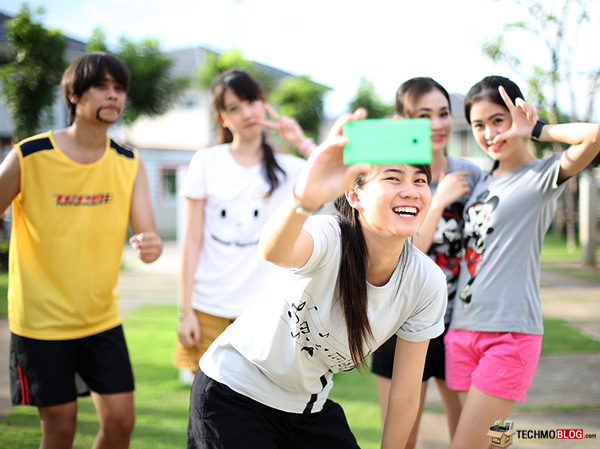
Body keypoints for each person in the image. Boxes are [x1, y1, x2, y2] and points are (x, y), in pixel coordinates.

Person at [186, 108, 448, 449]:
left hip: (306, 408)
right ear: (355, 196)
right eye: (393, 178)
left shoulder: (426, 283)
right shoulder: (330, 236)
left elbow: (405, 395)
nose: (411, 191)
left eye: (420, 180)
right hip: (232, 393)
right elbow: (275, 251)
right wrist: (303, 200)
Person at [0, 52, 162, 448]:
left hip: (101, 318)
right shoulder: (29, 155)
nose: (113, 95)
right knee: (60, 428)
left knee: (121, 422)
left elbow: (149, 240)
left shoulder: (129, 162)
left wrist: (150, 247)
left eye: (119, 88)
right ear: (74, 95)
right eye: (102, 86)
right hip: (40, 321)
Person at [446, 75, 600, 449]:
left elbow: (593, 136)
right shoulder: (479, 182)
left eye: (498, 120)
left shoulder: (540, 175)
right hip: (462, 331)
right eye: (479, 125)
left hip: (509, 333)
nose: (489, 134)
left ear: (518, 114)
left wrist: (538, 129)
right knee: (489, 444)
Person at [174, 68, 314, 380]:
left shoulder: (291, 169)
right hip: (208, 307)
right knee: (205, 401)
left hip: (266, 311)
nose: (246, 113)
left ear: (264, 103)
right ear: (222, 118)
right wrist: (185, 312)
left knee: (259, 402)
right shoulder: (206, 162)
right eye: (234, 108)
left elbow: (345, 186)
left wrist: (301, 142)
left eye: (251, 102)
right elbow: (191, 241)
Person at [370, 77, 482, 448]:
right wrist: (439, 199)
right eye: (423, 115)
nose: (437, 124)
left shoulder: (471, 175)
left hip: (459, 325)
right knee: (401, 438)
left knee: (471, 437)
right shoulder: (389, 178)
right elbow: (403, 254)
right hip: (400, 322)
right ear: (402, 122)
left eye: (443, 113)